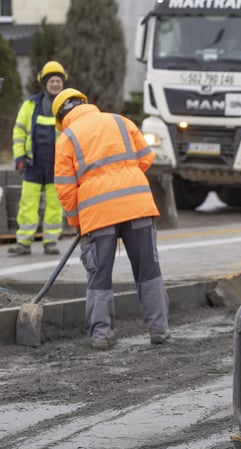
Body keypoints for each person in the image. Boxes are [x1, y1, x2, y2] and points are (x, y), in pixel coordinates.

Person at [52, 88, 170, 350]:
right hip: (137, 204)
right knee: (148, 270)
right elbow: (147, 157)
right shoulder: (120, 120)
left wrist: (77, 223)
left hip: (98, 212)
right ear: (85, 104)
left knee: (99, 275)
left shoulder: (67, 138)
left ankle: (101, 336)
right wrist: (125, 176)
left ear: (61, 118)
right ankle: (159, 329)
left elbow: (65, 187)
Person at [8, 61, 67, 256]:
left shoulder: (67, 106)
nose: (56, 84)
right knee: (28, 204)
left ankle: (50, 243)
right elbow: (19, 132)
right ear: (45, 83)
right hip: (33, 164)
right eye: (52, 80)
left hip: (57, 166)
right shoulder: (30, 105)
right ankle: (23, 243)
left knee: (54, 205)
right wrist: (19, 157)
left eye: (58, 80)